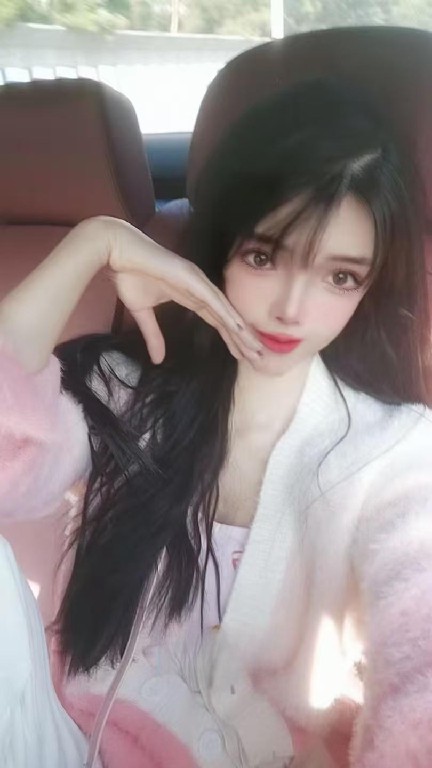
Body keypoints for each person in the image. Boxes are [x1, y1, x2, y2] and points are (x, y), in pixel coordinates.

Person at [1, 78, 432, 768]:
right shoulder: (126, 392)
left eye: (340, 277)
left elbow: (420, 655)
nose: (292, 308)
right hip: (68, 745)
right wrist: (93, 244)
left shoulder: (396, 452)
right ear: (222, 248)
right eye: (264, 257)